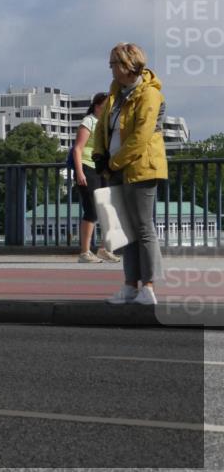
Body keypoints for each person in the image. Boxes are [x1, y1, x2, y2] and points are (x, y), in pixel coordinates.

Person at [93, 43, 168, 306]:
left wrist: (113, 163)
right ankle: (129, 286)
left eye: (113, 64)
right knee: (125, 229)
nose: (111, 68)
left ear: (127, 65)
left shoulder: (150, 94)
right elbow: (102, 126)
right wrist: (99, 155)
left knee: (143, 227)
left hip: (141, 168)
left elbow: (141, 137)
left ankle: (148, 286)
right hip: (116, 168)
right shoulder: (116, 92)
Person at [73, 92, 119, 264]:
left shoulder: (106, 124)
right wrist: (79, 172)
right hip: (87, 167)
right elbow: (78, 148)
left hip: (102, 168)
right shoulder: (89, 121)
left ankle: (104, 249)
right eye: (106, 106)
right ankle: (85, 252)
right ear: (97, 106)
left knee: (109, 210)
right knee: (92, 210)